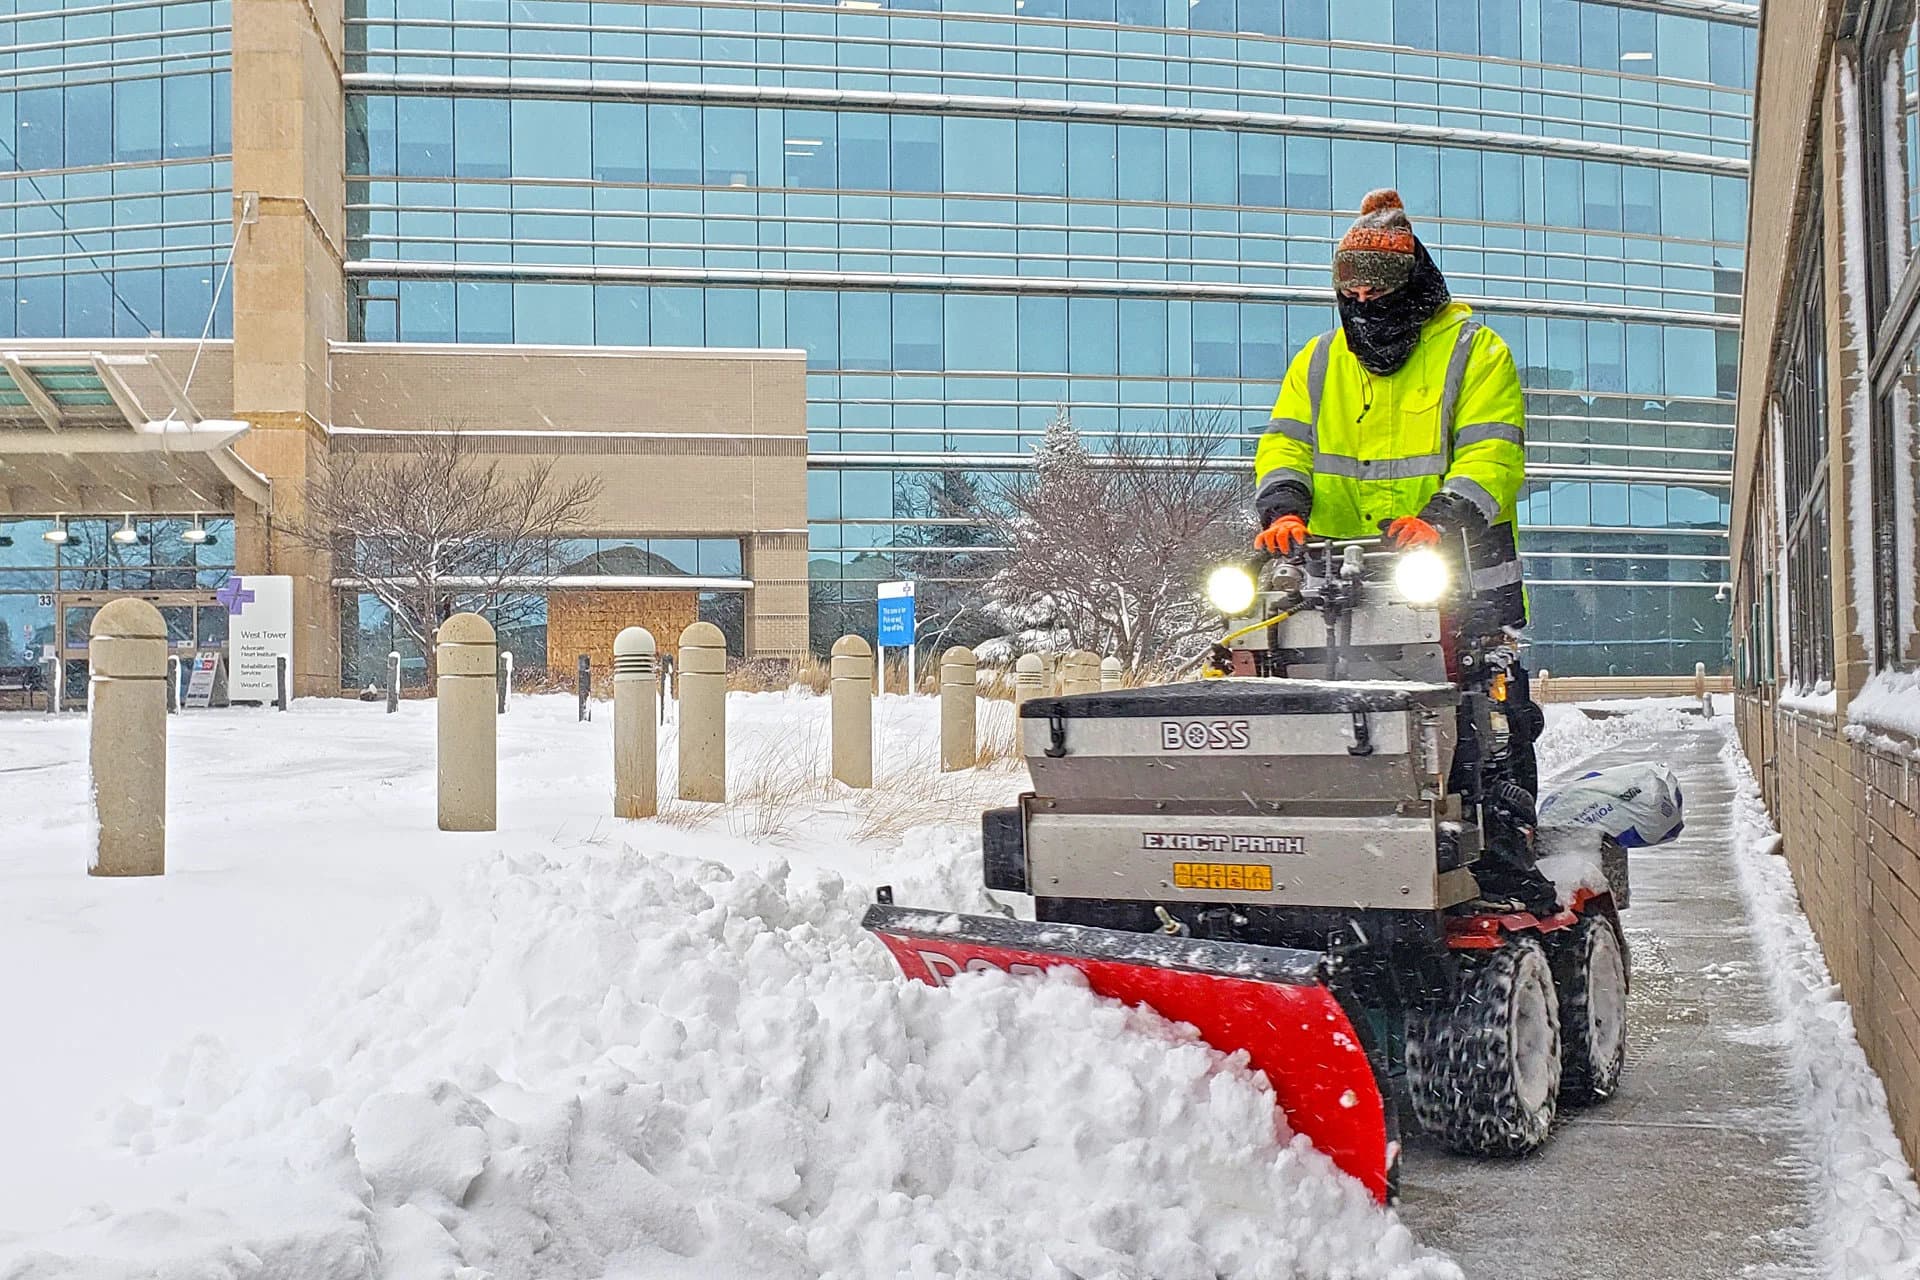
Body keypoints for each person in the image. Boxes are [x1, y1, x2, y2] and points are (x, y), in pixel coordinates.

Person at [1254, 188, 1553, 912]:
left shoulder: (1473, 350)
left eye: (1377, 286)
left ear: (1412, 280)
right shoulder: (1318, 361)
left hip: (1459, 577)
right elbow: (1286, 442)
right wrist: (1283, 508)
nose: (1362, 298)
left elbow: (1493, 454)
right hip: (1339, 585)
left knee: (1487, 719)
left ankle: (1505, 855)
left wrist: (1442, 516)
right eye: (1349, 287)